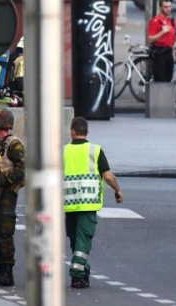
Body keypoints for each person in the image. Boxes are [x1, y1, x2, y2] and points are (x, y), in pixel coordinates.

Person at [63, 117, 124, 289]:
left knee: (76, 240)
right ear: (86, 132)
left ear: (72, 132)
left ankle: (79, 273)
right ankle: (80, 272)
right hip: (88, 203)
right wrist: (117, 190)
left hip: (70, 204)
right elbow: (108, 176)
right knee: (81, 241)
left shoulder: (63, 151)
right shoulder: (95, 150)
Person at [0, 107, 26, 287]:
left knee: (4, 234)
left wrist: (2, 179)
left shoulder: (14, 144)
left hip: (6, 195)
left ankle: (7, 272)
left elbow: (22, 171)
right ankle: (2, 271)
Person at [147, 0, 176, 82]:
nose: (168, 9)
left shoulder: (170, 20)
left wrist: (173, 53)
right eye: (165, 7)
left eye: (169, 7)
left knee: (169, 78)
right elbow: (150, 39)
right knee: (160, 80)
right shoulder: (155, 21)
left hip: (169, 52)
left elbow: (172, 38)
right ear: (160, 8)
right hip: (160, 53)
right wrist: (162, 32)